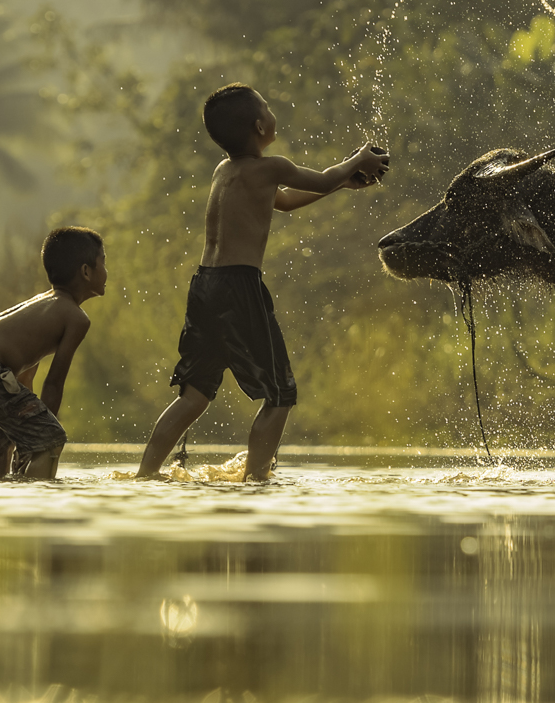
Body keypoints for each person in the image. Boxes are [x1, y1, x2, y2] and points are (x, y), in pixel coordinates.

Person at [135, 83, 389, 481]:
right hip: (238, 286)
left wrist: (342, 182)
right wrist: (358, 159)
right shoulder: (271, 166)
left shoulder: (226, 171)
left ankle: (145, 474)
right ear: (259, 125)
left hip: (205, 285)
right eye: (268, 107)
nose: (273, 112)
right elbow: (319, 179)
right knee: (280, 394)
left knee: (195, 393)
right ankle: (256, 483)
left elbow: (285, 201)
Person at [0, 226, 107, 480]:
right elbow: (54, 382)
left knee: (4, 442)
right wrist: (43, 432)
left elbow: (26, 374)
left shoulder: (44, 304)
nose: (107, 272)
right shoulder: (75, 317)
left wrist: (28, 428)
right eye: (103, 263)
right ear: (86, 271)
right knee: (49, 440)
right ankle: (35, 502)